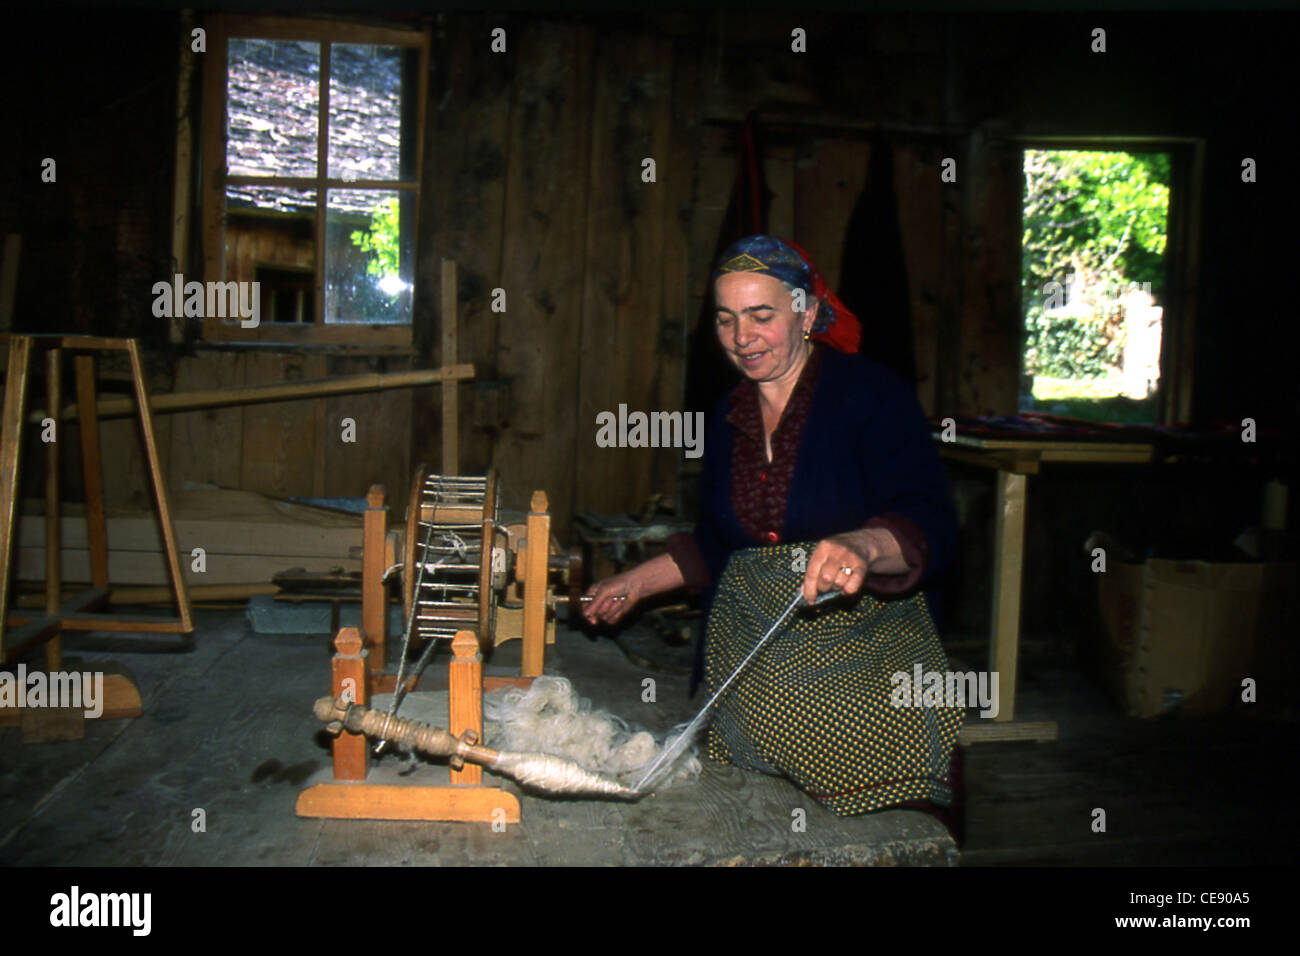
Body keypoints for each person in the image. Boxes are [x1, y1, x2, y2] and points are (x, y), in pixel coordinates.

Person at [582, 235, 965, 837]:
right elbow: (723, 539)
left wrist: (863, 546)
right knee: (747, 808)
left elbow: (932, 522)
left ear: (806, 313)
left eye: (762, 315)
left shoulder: (871, 397)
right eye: (727, 319)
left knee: (868, 804)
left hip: (861, 630)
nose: (742, 337)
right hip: (752, 639)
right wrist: (638, 580)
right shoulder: (727, 415)